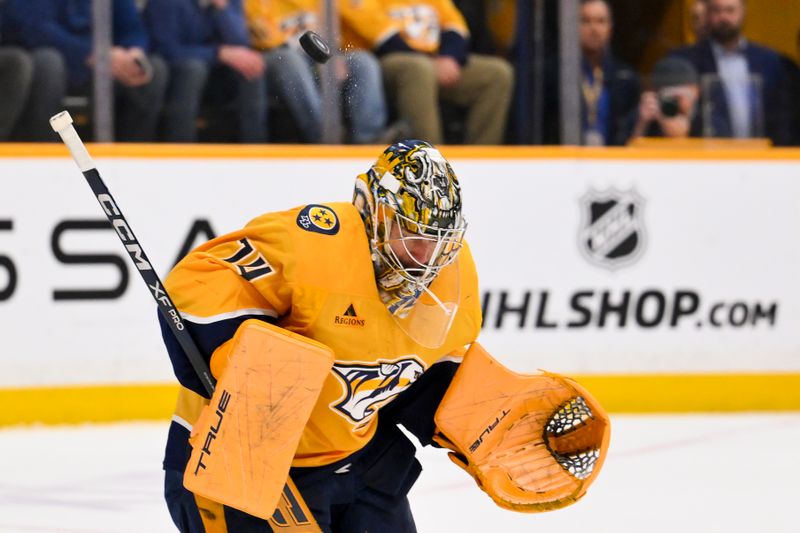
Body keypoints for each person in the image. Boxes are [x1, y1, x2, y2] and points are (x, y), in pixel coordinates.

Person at [160, 140, 481, 531]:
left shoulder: (452, 271)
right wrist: (241, 363)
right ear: (374, 213)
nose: (425, 255)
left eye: (438, 239)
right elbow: (197, 284)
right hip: (238, 464)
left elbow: (421, 376)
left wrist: (479, 427)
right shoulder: (314, 242)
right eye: (411, 233)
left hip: (357, 462)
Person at [339, 0, 514, 145]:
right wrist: (433, 63)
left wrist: (449, 57)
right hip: (381, 63)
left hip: (436, 60)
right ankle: (430, 160)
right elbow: (381, 37)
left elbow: (455, 25)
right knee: (419, 69)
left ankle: (480, 160)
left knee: (497, 74)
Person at [1, 0, 168, 142]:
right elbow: (36, 29)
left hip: (103, 66)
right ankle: (42, 152)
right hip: (59, 58)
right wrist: (93, 54)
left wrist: (132, 52)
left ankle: (132, 156)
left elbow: (133, 28)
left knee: (152, 68)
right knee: (48, 63)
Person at [243, 0, 388, 144]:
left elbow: (333, 35)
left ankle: (369, 138)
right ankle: (324, 136)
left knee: (362, 61)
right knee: (290, 60)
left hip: (319, 58)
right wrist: (324, 58)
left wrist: (333, 56)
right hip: (273, 58)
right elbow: (270, 41)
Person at [143, 0, 268, 143]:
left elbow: (241, 44)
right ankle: (181, 149)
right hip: (176, 74)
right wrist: (218, 53)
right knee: (194, 69)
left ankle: (256, 148)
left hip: (216, 75)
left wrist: (222, 9)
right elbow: (165, 50)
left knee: (250, 64)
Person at [670, 0, 793, 145]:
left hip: (762, 156)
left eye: (730, 10)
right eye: (717, 11)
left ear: (743, 11)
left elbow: (783, 118)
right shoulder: (687, 61)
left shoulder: (770, 61)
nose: (723, 17)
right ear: (707, 13)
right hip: (708, 156)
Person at [574, 0, 640, 146]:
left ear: (610, 28)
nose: (594, 28)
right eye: (586, 21)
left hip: (614, 163)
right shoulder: (555, 75)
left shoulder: (626, 78)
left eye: (600, 21)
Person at [630, 56, 702, 141]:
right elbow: (625, 149)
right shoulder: (647, 116)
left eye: (681, 97)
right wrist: (641, 124)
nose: (676, 103)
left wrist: (683, 136)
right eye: (671, 98)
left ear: (697, 92)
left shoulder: (706, 115)